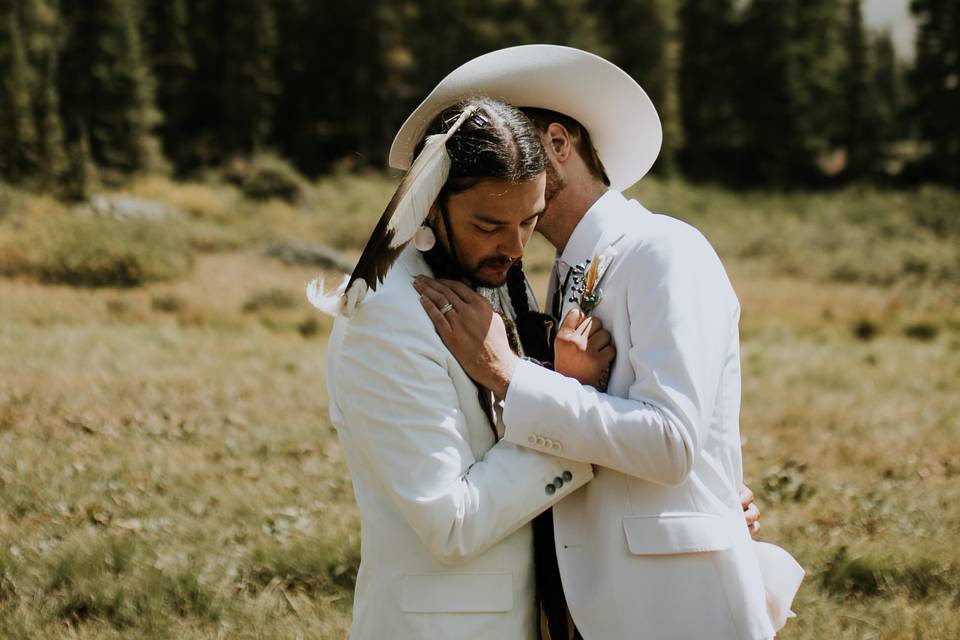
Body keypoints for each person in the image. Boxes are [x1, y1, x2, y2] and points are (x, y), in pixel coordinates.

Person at [407, 45, 804, 639]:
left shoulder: (663, 249)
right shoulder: (560, 274)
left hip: (678, 609)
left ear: (559, 145)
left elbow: (672, 443)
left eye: (515, 141)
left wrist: (511, 375)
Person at [318, 95, 597, 640]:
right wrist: (561, 393)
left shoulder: (488, 279)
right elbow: (452, 521)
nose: (514, 247)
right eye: (490, 224)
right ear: (429, 205)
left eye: (530, 220)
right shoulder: (386, 321)